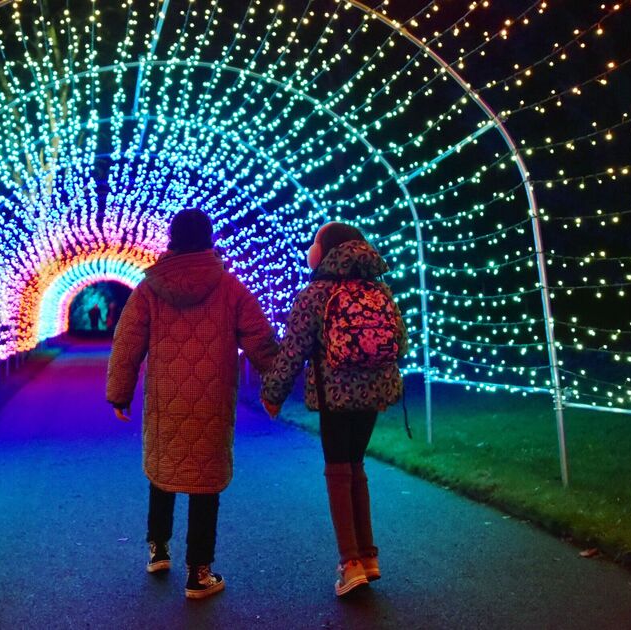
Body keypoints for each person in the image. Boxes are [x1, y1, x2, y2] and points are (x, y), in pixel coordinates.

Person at [107, 209, 278, 600]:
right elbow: (261, 341)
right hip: (211, 403)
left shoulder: (149, 289)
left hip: (165, 400)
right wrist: (277, 386)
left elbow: (127, 344)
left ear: (172, 240)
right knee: (205, 482)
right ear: (209, 239)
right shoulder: (230, 287)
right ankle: (199, 573)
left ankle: (158, 550)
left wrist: (119, 394)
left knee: (162, 471)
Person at [260, 222, 407, 597]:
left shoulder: (315, 294)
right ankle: (368, 556)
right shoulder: (378, 289)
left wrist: (274, 393)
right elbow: (400, 341)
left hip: (335, 396)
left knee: (338, 471)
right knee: (355, 466)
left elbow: (293, 351)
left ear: (324, 251)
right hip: (374, 393)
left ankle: (350, 563)